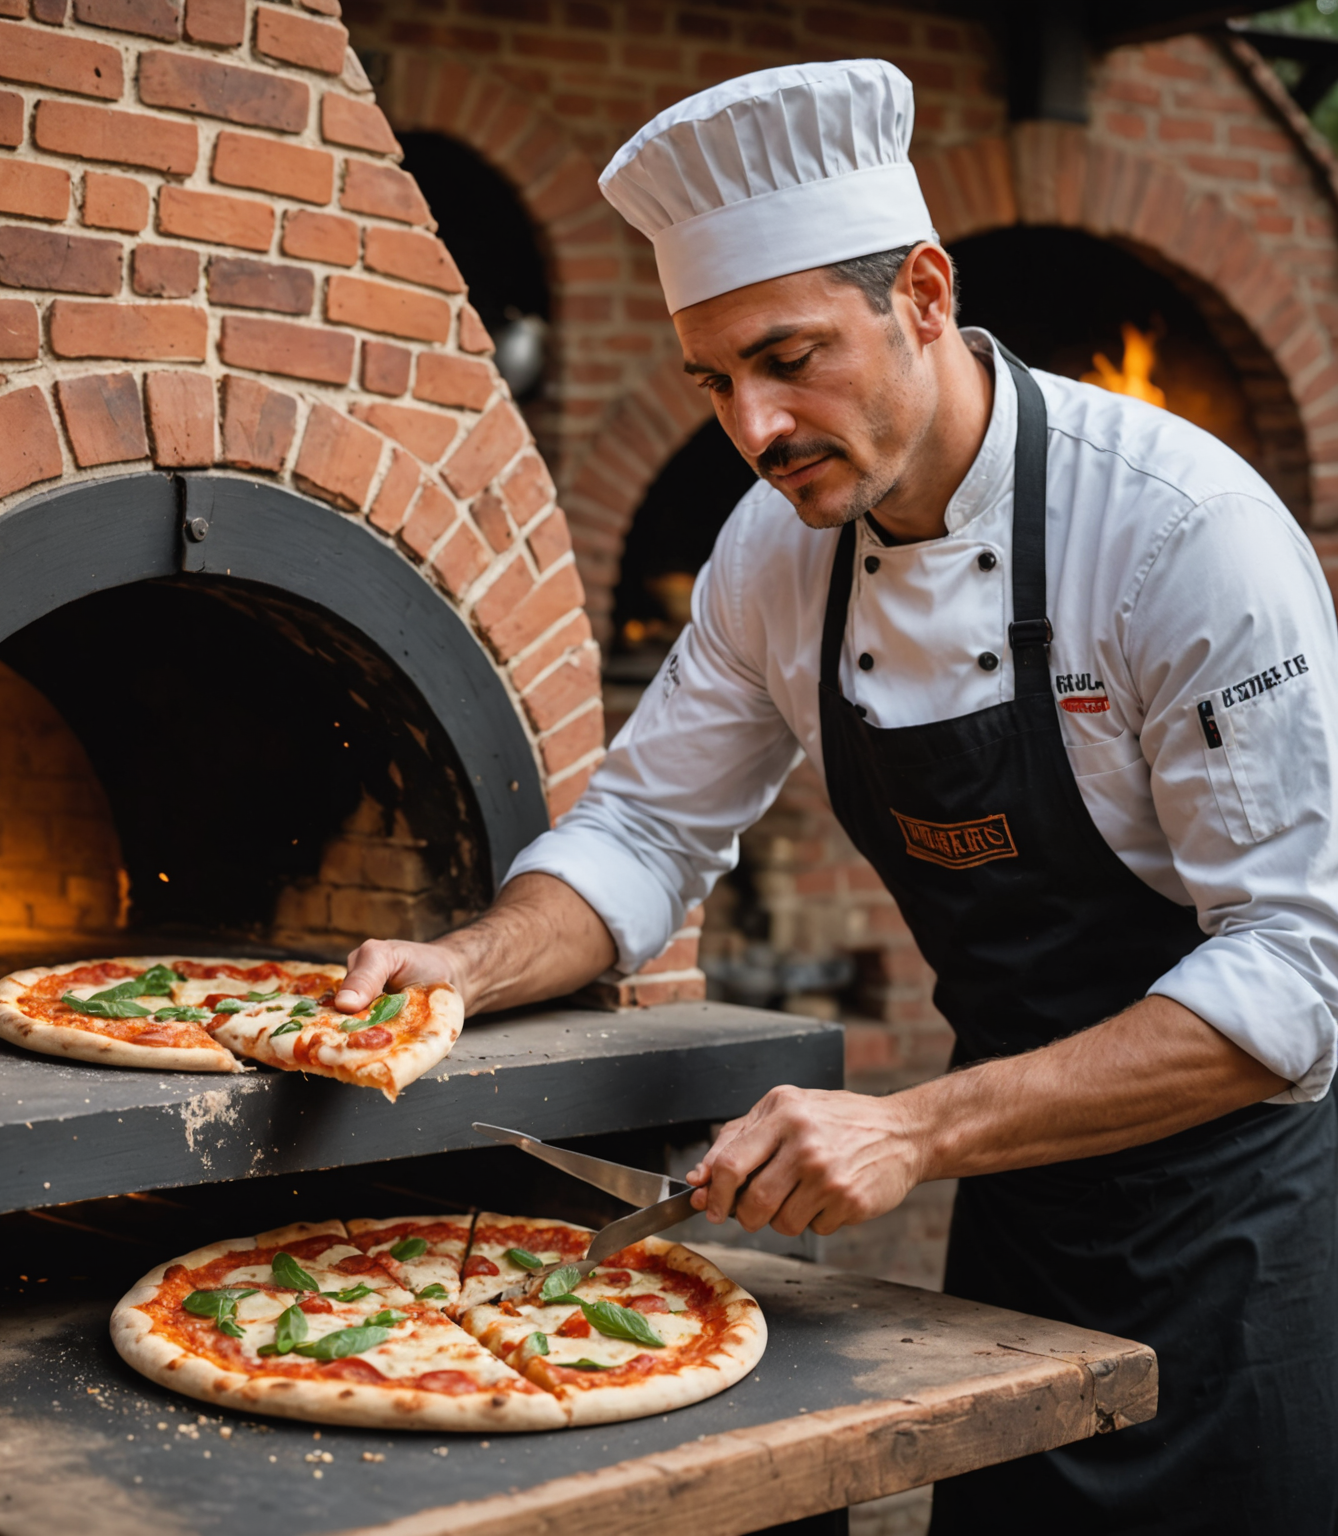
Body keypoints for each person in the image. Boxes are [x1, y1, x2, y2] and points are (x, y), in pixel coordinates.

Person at [334, 60, 1338, 1531]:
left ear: (924, 294)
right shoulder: (773, 547)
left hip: (1237, 1225)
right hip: (1019, 1212)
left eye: (791, 356)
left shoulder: (1184, 536)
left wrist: (916, 1130)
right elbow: (644, 829)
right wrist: (462, 971)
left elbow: (1297, 979)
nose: (754, 424)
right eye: (714, 380)